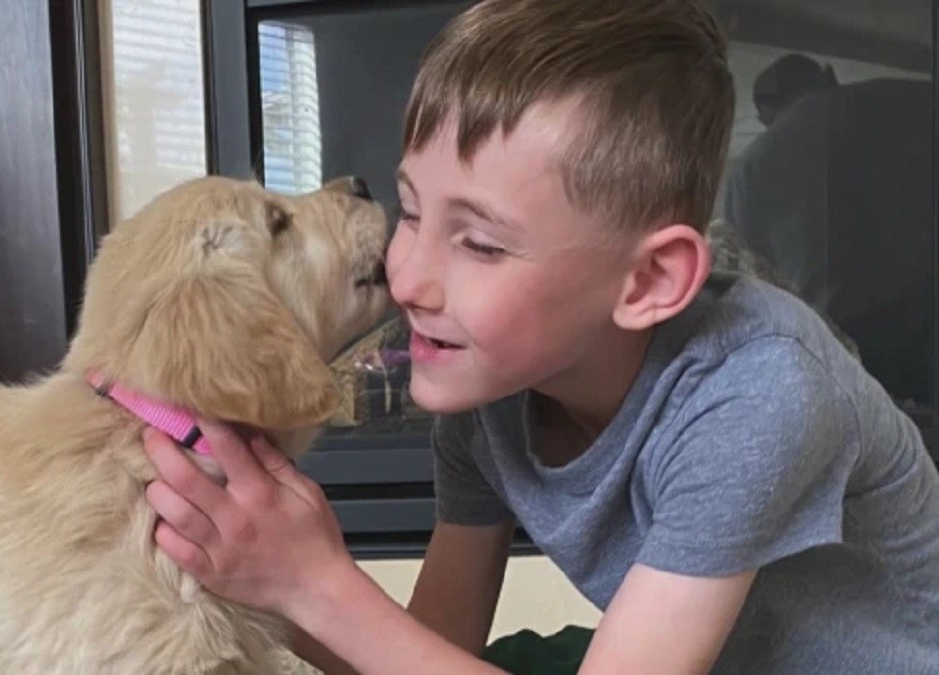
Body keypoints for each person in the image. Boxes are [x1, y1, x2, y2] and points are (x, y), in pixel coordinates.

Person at [142, 1, 939, 673]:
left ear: (650, 282)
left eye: (481, 244)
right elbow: (431, 645)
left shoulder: (759, 390)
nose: (408, 279)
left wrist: (319, 583)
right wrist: (265, 575)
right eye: (413, 211)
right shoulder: (488, 395)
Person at [721, 53, 936, 406]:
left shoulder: (751, 167)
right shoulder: (902, 100)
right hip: (924, 301)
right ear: (830, 76)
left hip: (844, 328)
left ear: (763, 115)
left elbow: (749, 275)